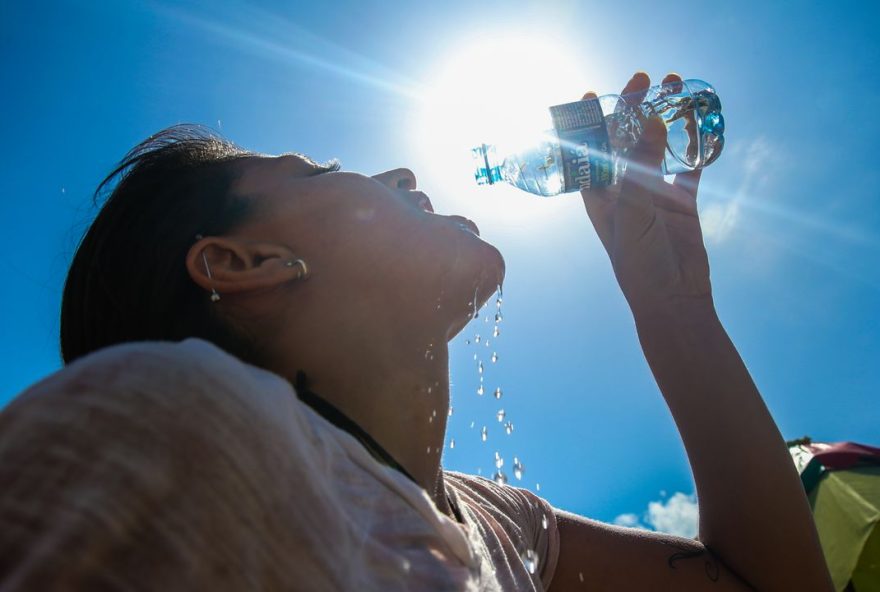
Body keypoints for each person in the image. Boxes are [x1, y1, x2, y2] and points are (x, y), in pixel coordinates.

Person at [0, 72, 833, 591]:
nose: (400, 174)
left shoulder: (501, 527)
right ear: (243, 262)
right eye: (319, 172)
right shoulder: (176, 423)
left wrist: (674, 308)